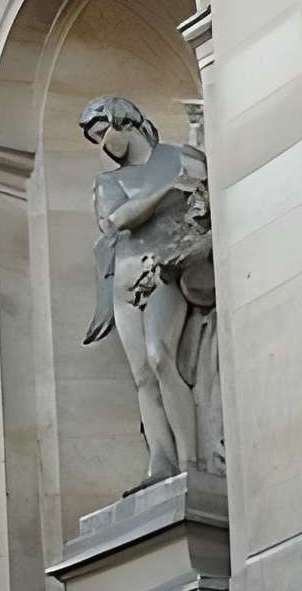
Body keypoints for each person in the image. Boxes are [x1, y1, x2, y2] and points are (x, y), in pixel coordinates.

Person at [81, 96, 217, 485]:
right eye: (95, 139)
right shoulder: (109, 182)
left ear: (124, 121)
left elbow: (206, 201)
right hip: (125, 277)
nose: (103, 145)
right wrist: (168, 191)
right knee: (142, 375)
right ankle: (161, 460)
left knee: (160, 356)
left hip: (166, 268)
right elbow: (115, 220)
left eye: (103, 133)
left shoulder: (178, 156)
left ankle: (190, 459)